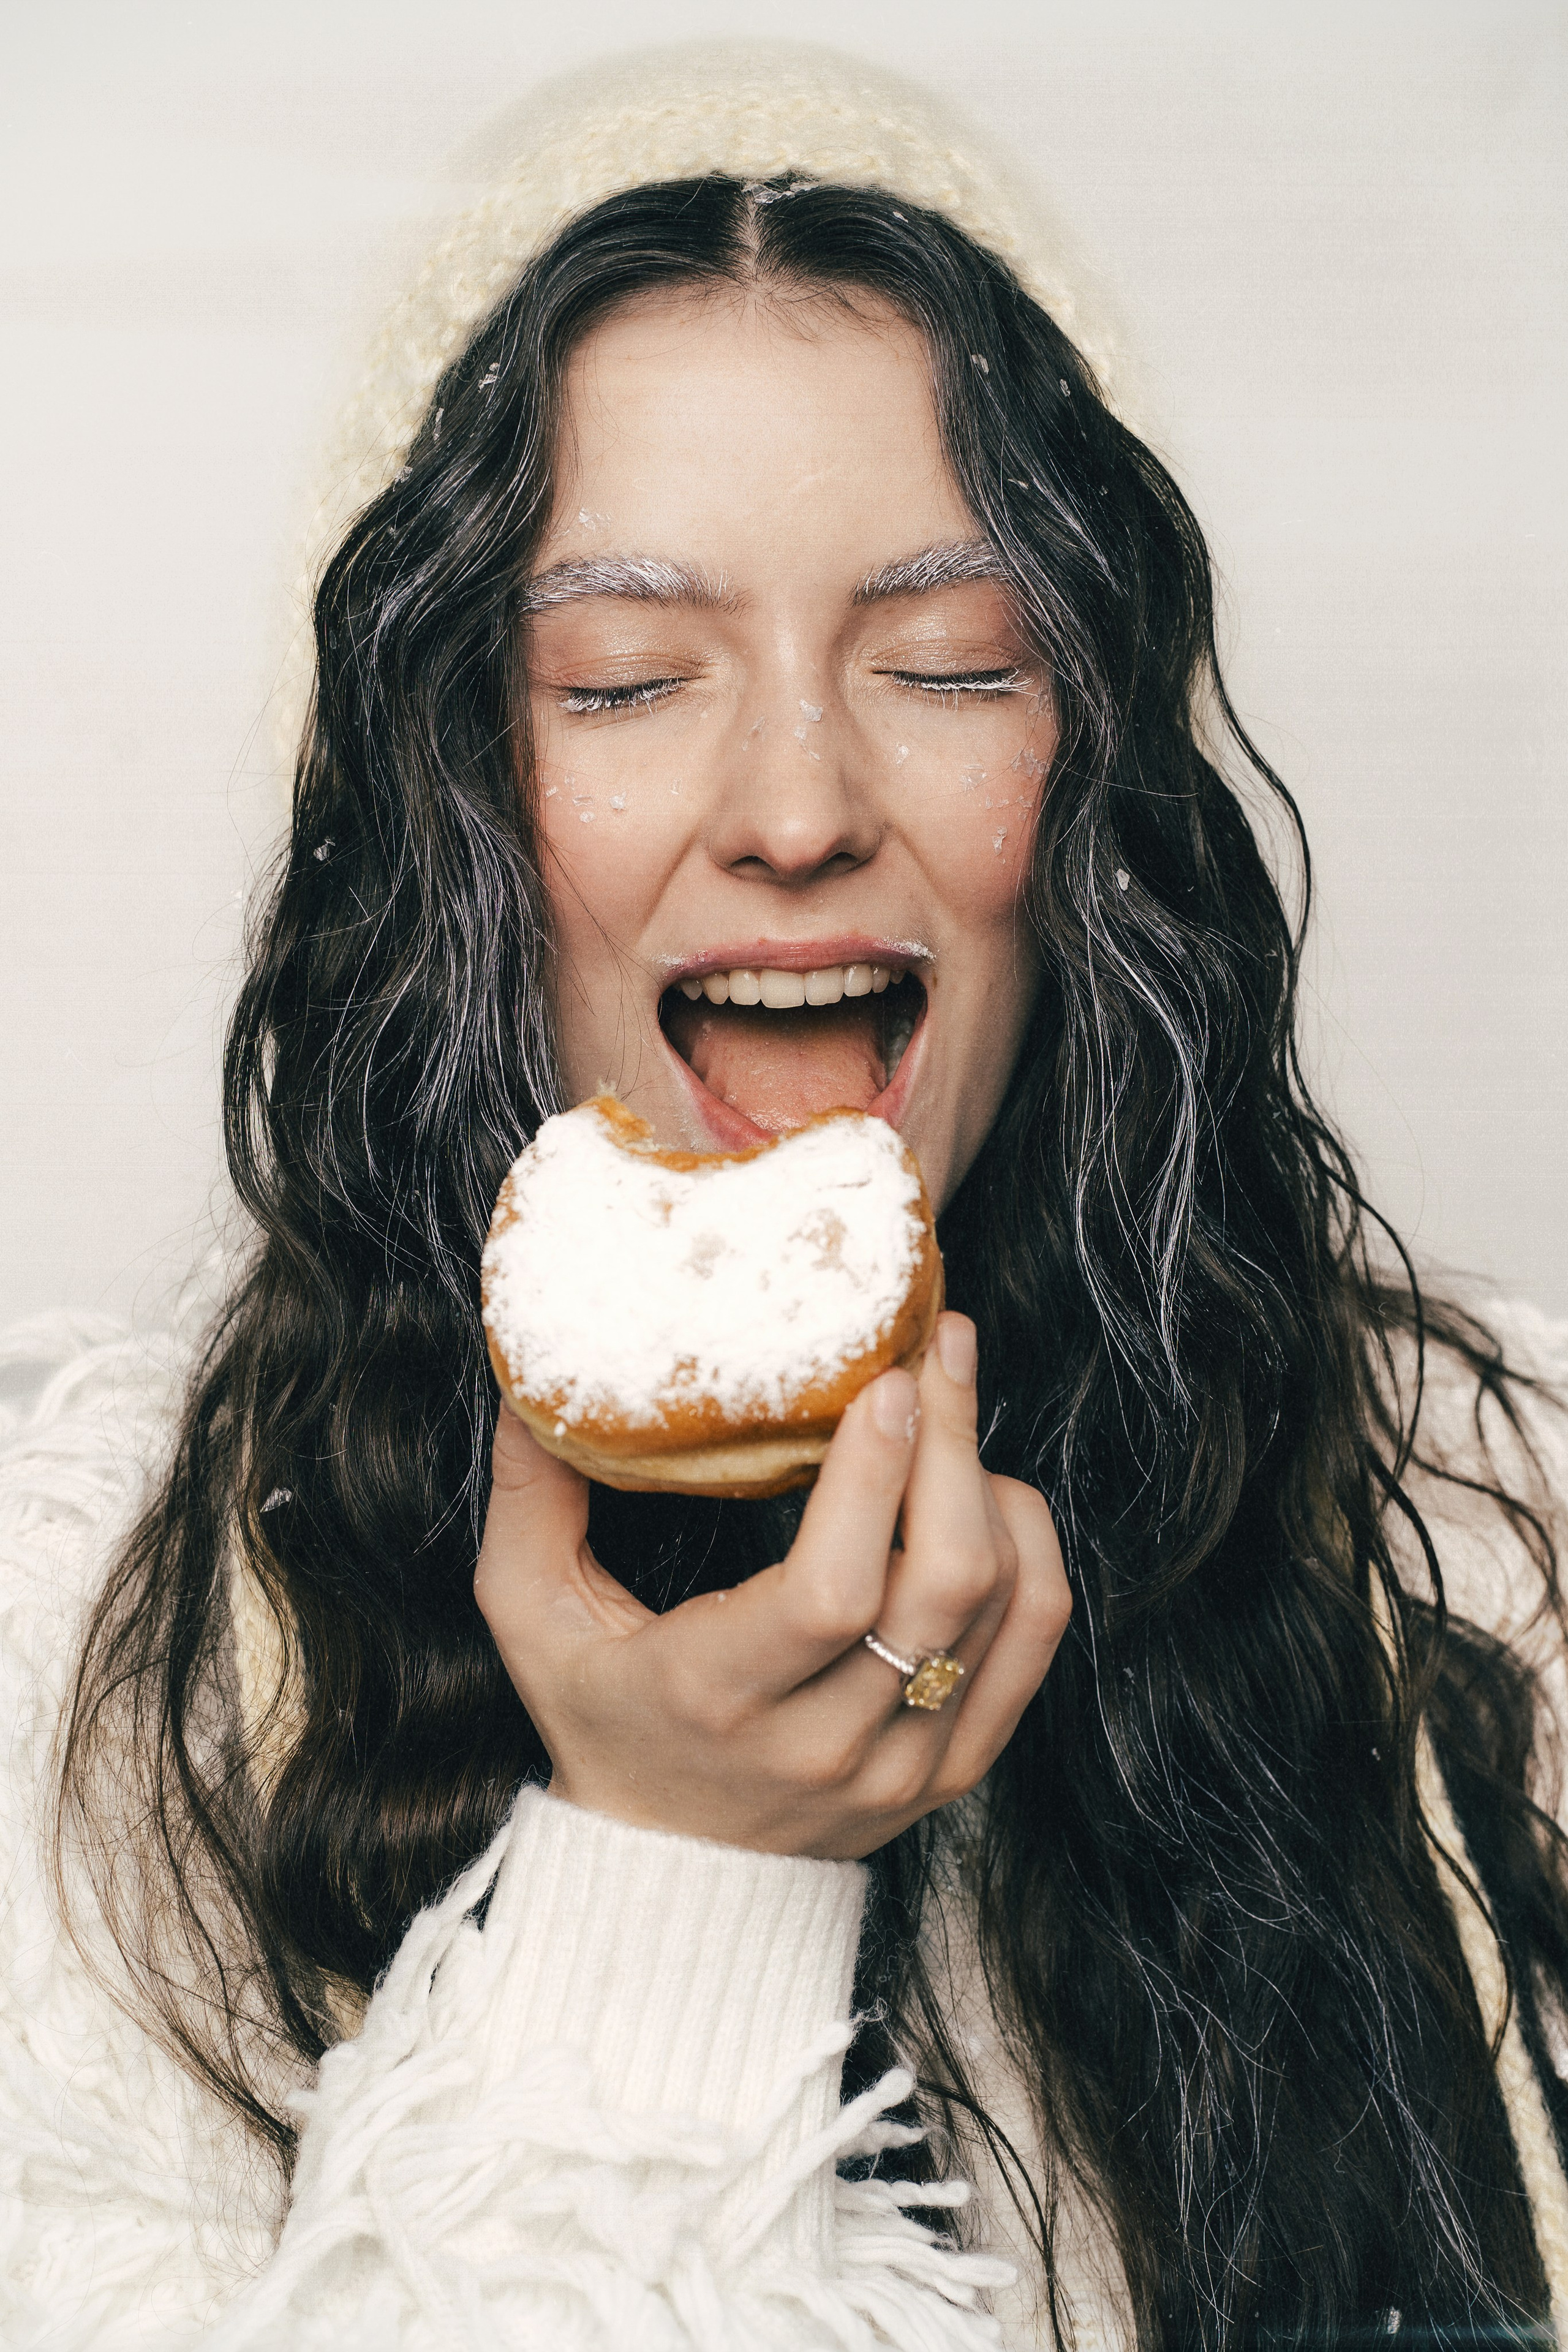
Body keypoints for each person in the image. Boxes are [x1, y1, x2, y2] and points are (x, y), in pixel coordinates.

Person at [5, 43, 1568, 2352]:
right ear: (446, 809)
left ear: (1105, 779)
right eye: (629, 682)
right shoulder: (88, 1672)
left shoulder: (1484, 1530)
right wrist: (679, 1882)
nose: (803, 801)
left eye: (950, 664)